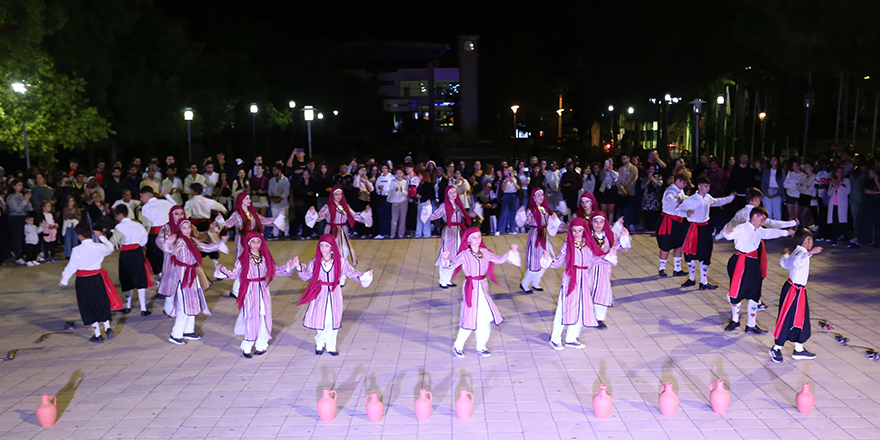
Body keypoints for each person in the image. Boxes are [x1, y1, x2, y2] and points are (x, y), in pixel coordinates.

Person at [442, 227, 520, 358]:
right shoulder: (464, 254)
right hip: (471, 288)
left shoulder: (485, 252)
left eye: (479, 237)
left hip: (483, 288)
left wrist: (511, 252)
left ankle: (481, 346)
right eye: (474, 237)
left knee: (485, 318)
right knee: (469, 319)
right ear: (468, 240)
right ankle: (458, 345)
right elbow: (450, 266)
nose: (477, 240)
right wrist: (445, 259)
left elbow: (499, 259)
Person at [216, 232, 296, 357]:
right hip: (249, 290)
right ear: (248, 243)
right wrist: (221, 270)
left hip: (263, 289)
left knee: (265, 316)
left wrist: (289, 266)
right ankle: (247, 345)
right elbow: (234, 274)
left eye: (258, 241)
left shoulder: (265, 258)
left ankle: (262, 344)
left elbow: (274, 271)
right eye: (253, 242)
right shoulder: (242, 259)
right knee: (251, 317)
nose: (256, 244)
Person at [293, 234, 373, 356]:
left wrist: (364, 275)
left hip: (334, 293)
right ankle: (319, 344)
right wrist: (298, 267)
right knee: (320, 319)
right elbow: (307, 275)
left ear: (331, 247)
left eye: (326, 246)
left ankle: (331, 346)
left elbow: (351, 272)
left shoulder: (340, 261)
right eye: (321, 246)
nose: (323, 249)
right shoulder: (315, 262)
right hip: (320, 293)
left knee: (332, 320)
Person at [722, 206, 794, 334]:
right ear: (754, 216)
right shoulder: (741, 228)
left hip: (753, 263)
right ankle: (735, 320)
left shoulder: (759, 230)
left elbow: (771, 233)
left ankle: (751, 324)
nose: (762, 222)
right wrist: (726, 231)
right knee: (737, 292)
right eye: (762, 219)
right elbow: (728, 236)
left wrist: (786, 233)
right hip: (740, 262)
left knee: (755, 293)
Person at [162, 218, 228, 345]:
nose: (187, 230)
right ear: (180, 229)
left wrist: (219, 244)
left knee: (192, 302)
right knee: (184, 305)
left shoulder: (191, 240)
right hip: (183, 276)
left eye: (188, 227)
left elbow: (205, 247)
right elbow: (171, 251)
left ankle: (188, 330)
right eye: (184, 228)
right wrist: (168, 244)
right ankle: (175, 334)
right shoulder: (181, 241)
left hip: (192, 274)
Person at [540, 217, 604, 349]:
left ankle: (571, 338)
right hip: (570, 281)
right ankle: (555, 339)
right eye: (574, 231)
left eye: (580, 231)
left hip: (584, 282)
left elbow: (596, 259)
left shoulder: (589, 245)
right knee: (563, 309)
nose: (577, 234)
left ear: (584, 231)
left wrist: (611, 254)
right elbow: (558, 263)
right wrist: (547, 259)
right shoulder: (567, 246)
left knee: (580, 309)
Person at [59, 223, 121, 343]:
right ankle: (107, 328)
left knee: (88, 305)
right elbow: (111, 248)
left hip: (83, 280)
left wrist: (64, 279)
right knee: (101, 302)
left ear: (79, 236)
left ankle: (98, 335)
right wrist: (101, 237)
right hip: (97, 278)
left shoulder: (77, 250)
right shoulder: (99, 247)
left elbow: (72, 266)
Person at [770, 228, 822, 363]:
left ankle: (799, 349)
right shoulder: (801, 254)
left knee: (800, 319)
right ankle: (776, 348)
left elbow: (785, 263)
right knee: (787, 318)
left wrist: (785, 255)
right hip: (793, 291)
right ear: (806, 241)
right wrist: (810, 253)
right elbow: (798, 261)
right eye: (809, 239)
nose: (811, 242)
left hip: (798, 291)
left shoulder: (797, 252)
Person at [678, 177, 734, 290]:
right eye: (705, 186)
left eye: (709, 186)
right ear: (699, 186)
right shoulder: (691, 200)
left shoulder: (708, 198)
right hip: (693, 228)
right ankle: (691, 279)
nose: (708, 188)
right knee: (690, 254)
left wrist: (731, 197)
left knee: (706, 254)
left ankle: (703, 281)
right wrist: (686, 214)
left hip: (705, 228)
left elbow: (718, 202)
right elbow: (678, 210)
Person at [310, 188, 370, 281]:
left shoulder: (345, 206)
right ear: (332, 195)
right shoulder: (327, 206)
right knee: (330, 252)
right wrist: (313, 213)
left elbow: (354, 215)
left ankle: (342, 274)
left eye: (340, 194)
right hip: (331, 231)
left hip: (342, 230)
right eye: (336, 194)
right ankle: (329, 273)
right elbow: (319, 217)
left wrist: (365, 213)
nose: (338, 196)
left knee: (344, 250)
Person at [583, 211, 630, 330]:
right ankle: (584, 314)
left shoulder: (609, 236)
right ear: (591, 223)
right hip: (589, 269)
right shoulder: (586, 236)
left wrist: (624, 236)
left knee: (602, 293)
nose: (598, 225)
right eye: (595, 222)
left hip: (604, 270)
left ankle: (599, 319)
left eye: (601, 222)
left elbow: (621, 247)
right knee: (586, 290)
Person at [225, 193, 276, 298]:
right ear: (241, 200)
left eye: (249, 198)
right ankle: (236, 290)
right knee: (242, 264)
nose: (249, 200)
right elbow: (228, 224)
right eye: (246, 198)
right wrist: (219, 222)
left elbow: (263, 220)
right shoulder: (236, 214)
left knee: (249, 263)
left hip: (252, 240)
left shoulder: (252, 213)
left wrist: (278, 219)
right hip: (242, 241)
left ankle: (236, 290)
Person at [110, 205, 154, 316]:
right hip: (137, 252)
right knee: (140, 279)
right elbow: (144, 241)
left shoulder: (119, 227)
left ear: (120, 215)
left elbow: (113, 242)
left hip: (125, 254)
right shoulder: (138, 225)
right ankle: (143, 308)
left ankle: (127, 306)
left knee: (127, 279)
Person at [428, 185, 473, 288]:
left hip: (458, 231)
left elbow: (465, 215)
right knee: (446, 255)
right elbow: (433, 216)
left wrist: (474, 213)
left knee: (455, 256)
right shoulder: (444, 206)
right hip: (449, 232)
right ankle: (442, 280)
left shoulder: (458, 205)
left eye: (455, 192)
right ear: (447, 194)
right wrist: (427, 210)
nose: (453, 194)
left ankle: (448, 279)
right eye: (451, 192)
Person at [517, 188, 558, 293]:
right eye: (538, 195)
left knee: (544, 260)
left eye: (542, 195)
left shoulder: (544, 209)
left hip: (544, 235)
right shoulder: (531, 210)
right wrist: (521, 214)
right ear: (534, 197)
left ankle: (536, 282)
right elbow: (524, 222)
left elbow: (550, 224)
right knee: (534, 261)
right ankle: (525, 283)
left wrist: (554, 219)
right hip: (535, 236)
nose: (541, 197)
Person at [656, 173, 690, 277]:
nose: (685, 185)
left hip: (679, 221)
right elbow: (669, 198)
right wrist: (677, 201)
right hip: (668, 221)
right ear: (678, 181)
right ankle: (662, 268)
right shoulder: (670, 190)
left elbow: (684, 198)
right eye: (684, 183)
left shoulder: (680, 190)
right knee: (665, 245)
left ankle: (677, 269)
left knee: (678, 245)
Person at [139, 186, 175, 278]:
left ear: (146, 195)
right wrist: (168, 196)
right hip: (169, 234)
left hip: (155, 236)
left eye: (141, 196)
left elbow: (147, 226)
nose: (141, 199)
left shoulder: (146, 207)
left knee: (154, 258)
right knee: (169, 256)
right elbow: (178, 209)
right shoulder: (167, 203)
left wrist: (143, 240)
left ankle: (160, 280)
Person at [7, 179, 33, 264]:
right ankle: (18, 256)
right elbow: (17, 209)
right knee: (17, 238)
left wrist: (27, 200)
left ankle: (25, 254)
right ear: (14, 186)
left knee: (24, 237)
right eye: (19, 185)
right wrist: (25, 200)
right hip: (15, 218)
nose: (21, 187)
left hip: (23, 217)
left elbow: (29, 208)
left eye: (21, 185)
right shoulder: (11, 197)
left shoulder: (22, 195)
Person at [826, 167, 851, 247]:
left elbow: (848, 191)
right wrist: (833, 187)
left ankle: (847, 240)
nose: (839, 174)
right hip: (833, 204)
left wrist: (839, 185)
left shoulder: (846, 181)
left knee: (843, 223)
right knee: (834, 222)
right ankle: (834, 239)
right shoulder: (832, 181)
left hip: (842, 204)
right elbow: (829, 193)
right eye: (838, 172)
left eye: (841, 172)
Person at [858, 168, 880, 247]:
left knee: (878, 223)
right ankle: (867, 239)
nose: (872, 175)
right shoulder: (866, 181)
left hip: (878, 204)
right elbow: (866, 191)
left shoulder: (878, 181)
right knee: (868, 221)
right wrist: (877, 192)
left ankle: (877, 240)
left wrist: (877, 181)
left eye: (873, 173)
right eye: (870, 173)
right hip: (868, 203)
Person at [268, 165, 290, 239]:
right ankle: (275, 234)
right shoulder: (271, 180)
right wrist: (272, 198)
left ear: (279, 170)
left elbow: (286, 192)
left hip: (283, 202)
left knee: (285, 218)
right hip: (274, 202)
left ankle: (286, 234)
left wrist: (280, 198)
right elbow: (269, 191)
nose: (273, 172)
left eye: (275, 170)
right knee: (275, 218)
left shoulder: (285, 180)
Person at [497, 166, 520, 235]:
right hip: (506, 195)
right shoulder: (504, 179)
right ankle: (500, 229)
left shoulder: (516, 178)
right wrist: (506, 182)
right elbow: (502, 189)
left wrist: (514, 182)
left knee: (513, 213)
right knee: (504, 212)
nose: (505, 172)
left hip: (514, 195)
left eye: (507, 170)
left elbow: (518, 188)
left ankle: (512, 229)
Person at [761, 156, 785, 220]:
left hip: (777, 192)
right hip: (768, 190)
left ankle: (777, 226)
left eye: (775, 160)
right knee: (767, 212)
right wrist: (766, 193)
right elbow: (763, 183)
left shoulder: (781, 171)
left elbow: (782, 184)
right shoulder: (766, 171)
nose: (773, 162)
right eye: (771, 160)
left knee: (777, 213)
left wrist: (777, 194)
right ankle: (768, 225)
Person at [641, 165, 663, 232]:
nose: (651, 170)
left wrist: (654, 181)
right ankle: (647, 226)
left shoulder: (658, 177)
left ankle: (653, 227)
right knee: (646, 213)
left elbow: (660, 185)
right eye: (650, 169)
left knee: (653, 213)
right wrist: (647, 181)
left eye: (653, 169)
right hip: (646, 198)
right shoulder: (645, 177)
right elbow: (642, 186)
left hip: (654, 198)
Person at [783, 160, 804, 224]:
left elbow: (800, 186)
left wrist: (791, 184)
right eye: (793, 166)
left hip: (797, 196)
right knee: (790, 214)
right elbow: (785, 185)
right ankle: (790, 227)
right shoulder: (790, 174)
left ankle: (796, 228)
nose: (794, 167)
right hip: (789, 195)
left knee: (796, 215)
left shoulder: (802, 175)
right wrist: (794, 184)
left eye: (796, 166)